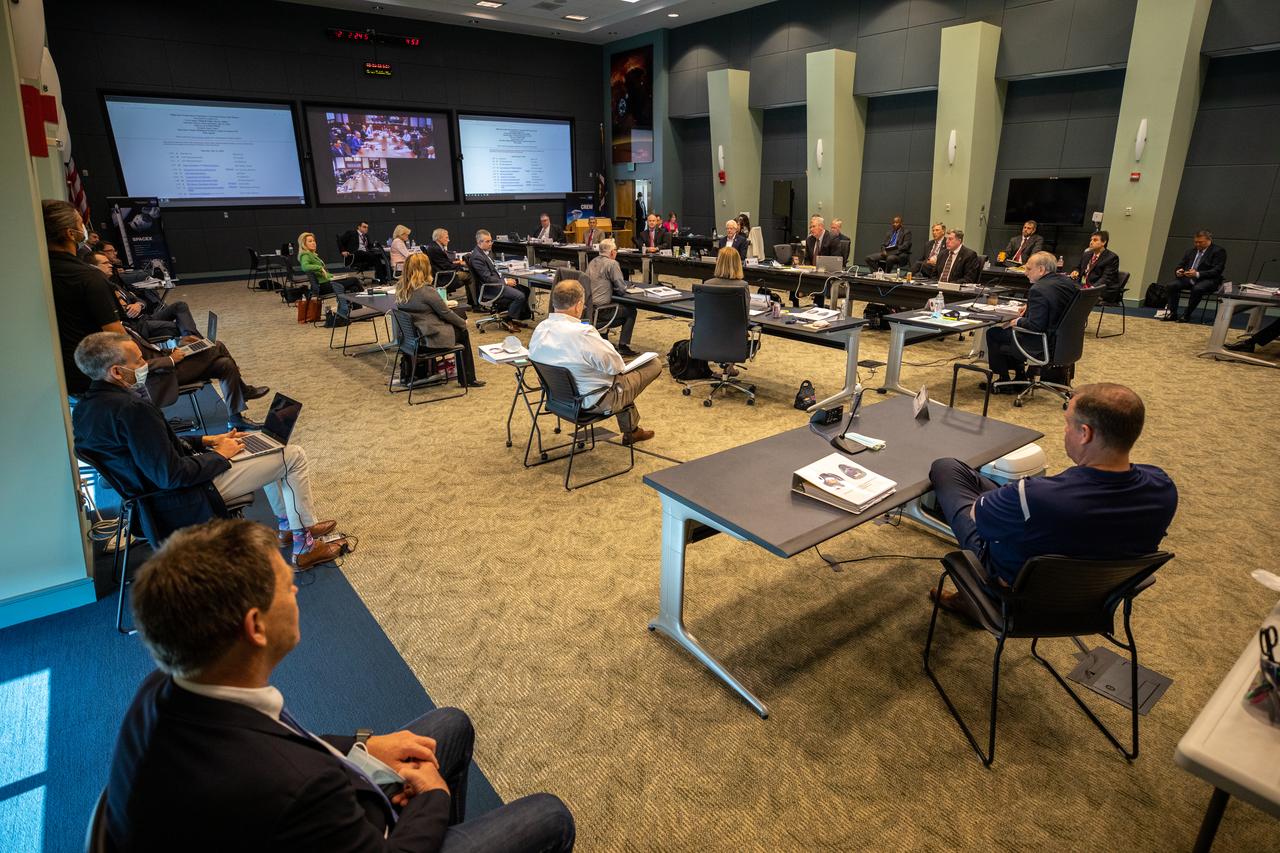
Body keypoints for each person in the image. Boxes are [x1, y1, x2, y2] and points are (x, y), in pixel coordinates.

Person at [105, 517, 576, 852]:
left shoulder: (165, 691)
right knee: (550, 816)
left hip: (307, 823)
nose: (295, 589)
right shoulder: (293, 785)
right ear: (256, 627)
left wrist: (367, 745)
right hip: (358, 833)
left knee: (449, 724)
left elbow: (289, 744)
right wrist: (432, 797)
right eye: (286, 584)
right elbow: (294, 775)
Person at [72, 333, 342, 568]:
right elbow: (171, 475)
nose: (145, 366)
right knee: (291, 456)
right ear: (117, 372)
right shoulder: (133, 410)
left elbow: (152, 448)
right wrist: (220, 455)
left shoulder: (87, 409)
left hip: (151, 499)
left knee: (263, 450)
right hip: (182, 497)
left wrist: (207, 441)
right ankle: (304, 546)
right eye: (139, 361)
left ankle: (291, 527)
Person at [926, 383, 1177, 622]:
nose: (1065, 430)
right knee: (1010, 502)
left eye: (1068, 423)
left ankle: (974, 600)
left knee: (946, 469)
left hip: (1015, 596)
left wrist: (1013, 500)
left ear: (1085, 433)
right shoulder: (1163, 488)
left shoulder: (1036, 496)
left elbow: (975, 517)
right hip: (1095, 600)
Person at [45, 201, 266, 428]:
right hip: (144, 375)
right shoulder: (87, 279)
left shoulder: (45, 273)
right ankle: (242, 393)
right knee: (216, 347)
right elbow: (121, 349)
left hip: (103, 371)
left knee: (223, 363)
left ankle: (236, 417)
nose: (85, 229)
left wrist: (169, 350)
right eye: (81, 224)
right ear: (69, 233)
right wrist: (169, 358)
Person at [528, 278, 661, 446]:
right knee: (651, 364)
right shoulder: (583, 333)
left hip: (559, 399)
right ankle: (632, 430)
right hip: (594, 402)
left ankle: (632, 431)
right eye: (583, 304)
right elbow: (616, 366)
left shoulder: (540, 329)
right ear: (577, 305)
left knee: (615, 379)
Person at [981, 251, 1077, 390]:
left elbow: (1035, 325)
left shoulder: (1038, 289)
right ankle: (1020, 376)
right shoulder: (1067, 283)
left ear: (1041, 269)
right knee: (1011, 332)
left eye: (1028, 269)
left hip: (1042, 342)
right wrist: (1030, 306)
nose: (1025, 273)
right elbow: (1057, 302)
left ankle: (1004, 380)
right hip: (1065, 341)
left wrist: (1018, 321)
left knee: (995, 333)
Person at [395, 254, 485, 388]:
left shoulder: (401, 289)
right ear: (425, 268)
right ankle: (468, 378)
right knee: (463, 331)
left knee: (458, 318)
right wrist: (462, 323)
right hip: (429, 339)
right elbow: (445, 313)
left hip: (411, 339)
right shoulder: (426, 291)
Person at [89, 251, 198, 339]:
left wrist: (138, 304)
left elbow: (138, 299)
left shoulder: (113, 285)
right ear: (93, 268)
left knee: (180, 305)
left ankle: (193, 341)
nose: (110, 265)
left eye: (109, 262)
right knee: (182, 326)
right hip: (137, 326)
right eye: (105, 263)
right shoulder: (100, 291)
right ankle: (196, 343)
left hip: (146, 318)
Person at [582, 238, 638, 356]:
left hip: (588, 310)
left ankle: (603, 338)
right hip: (601, 312)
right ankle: (623, 345)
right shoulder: (612, 263)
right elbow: (622, 289)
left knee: (618, 307)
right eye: (616, 250)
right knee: (631, 310)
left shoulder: (592, 261)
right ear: (612, 252)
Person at [468, 229, 532, 330]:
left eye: (491, 241)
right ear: (479, 242)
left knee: (524, 289)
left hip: (496, 283)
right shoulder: (477, 257)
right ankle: (508, 319)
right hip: (490, 288)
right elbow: (487, 278)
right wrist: (505, 281)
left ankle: (515, 316)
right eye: (487, 241)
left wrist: (505, 279)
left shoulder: (483, 253)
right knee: (520, 296)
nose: (490, 244)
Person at [1160, 230, 1227, 322]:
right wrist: (1178, 271)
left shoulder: (1218, 251)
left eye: (1200, 242)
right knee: (1170, 286)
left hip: (1208, 280)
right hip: (1188, 278)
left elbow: (1217, 270)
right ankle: (1172, 313)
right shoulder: (1190, 251)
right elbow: (1181, 265)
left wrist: (1197, 274)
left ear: (1209, 240)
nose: (1197, 244)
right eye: (1196, 242)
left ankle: (1186, 314)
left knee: (1198, 289)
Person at [424, 228, 471, 296]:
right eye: (446, 237)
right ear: (439, 238)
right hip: (443, 277)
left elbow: (443, 263)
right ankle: (474, 302)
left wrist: (456, 263)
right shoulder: (436, 249)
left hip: (439, 274)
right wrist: (461, 264)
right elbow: (447, 267)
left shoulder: (433, 246)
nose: (448, 240)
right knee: (470, 275)